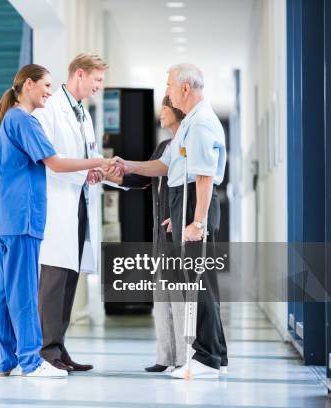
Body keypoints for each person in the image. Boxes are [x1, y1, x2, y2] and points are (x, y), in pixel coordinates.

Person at [0, 64, 118, 378]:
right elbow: (55, 163)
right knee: (24, 292)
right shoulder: (24, 121)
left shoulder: (9, 120)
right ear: (28, 85)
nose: (48, 92)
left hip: (2, 219)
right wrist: (100, 161)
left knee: (2, 293)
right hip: (22, 219)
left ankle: (6, 360)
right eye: (45, 86)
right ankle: (31, 361)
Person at [115, 63, 228, 379]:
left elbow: (204, 177)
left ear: (185, 89)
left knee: (197, 285)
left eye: (168, 85)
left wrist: (197, 222)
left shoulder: (202, 123)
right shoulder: (191, 123)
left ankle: (205, 359)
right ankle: (216, 354)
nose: (166, 92)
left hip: (196, 203)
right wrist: (126, 166)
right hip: (185, 203)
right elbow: (166, 166)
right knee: (200, 284)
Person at [33, 54, 120, 372]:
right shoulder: (52, 108)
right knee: (54, 280)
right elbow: (50, 160)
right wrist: (91, 168)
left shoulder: (82, 112)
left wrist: (98, 169)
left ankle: (59, 347)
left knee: (69, 279)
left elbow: (90, 154)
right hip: (58, 204)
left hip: (79, 202)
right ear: (79, 75)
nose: (99, 87)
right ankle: (47, 350)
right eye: (96, 80)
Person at [106, 95, 188, 373]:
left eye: (165, 108)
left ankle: (185, 358)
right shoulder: (165, 145)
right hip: (159, 235)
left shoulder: (187, 143)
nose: (161, 113)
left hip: (178, 233)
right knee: (162, 295)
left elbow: (199, 185)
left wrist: (185, 220)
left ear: (177, 110)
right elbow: (142, 178)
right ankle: (165, 357)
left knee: (180, 297)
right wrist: (104, 174)